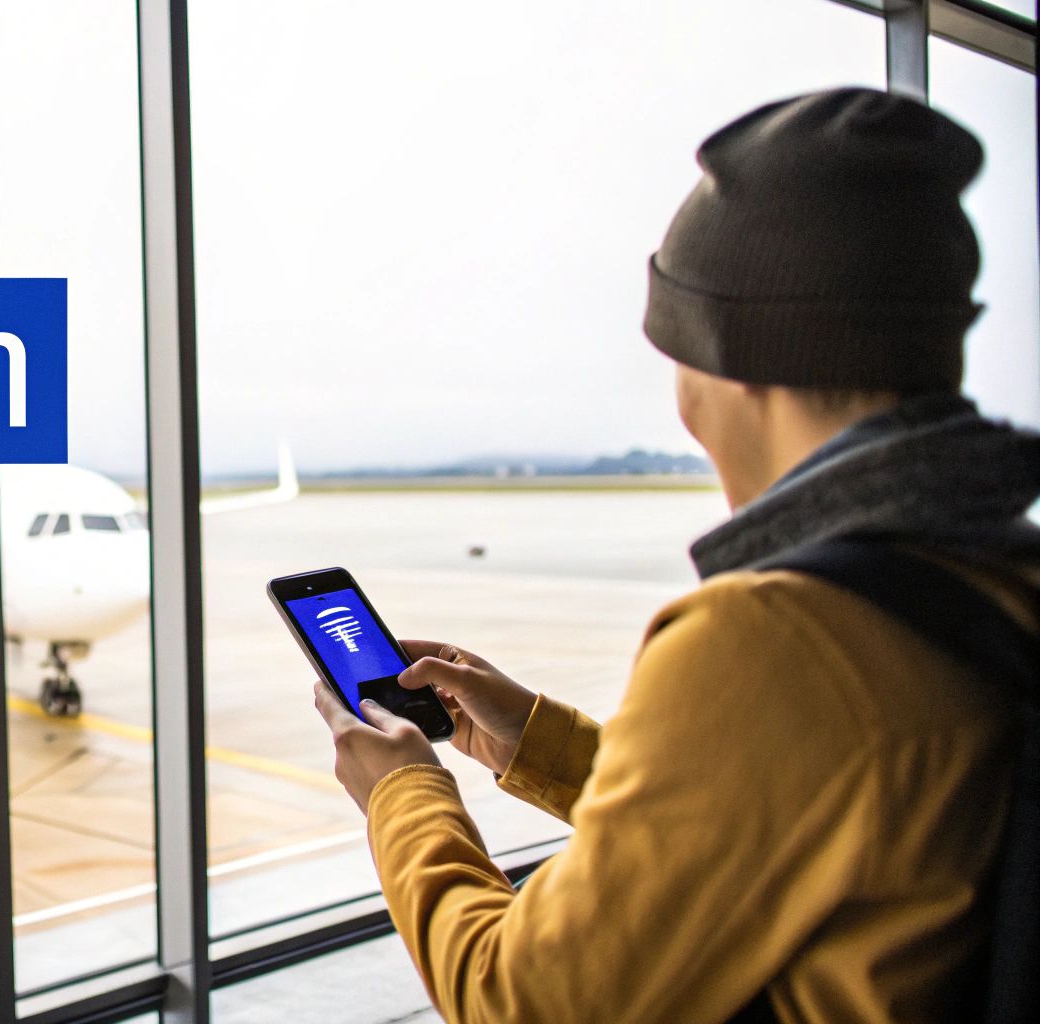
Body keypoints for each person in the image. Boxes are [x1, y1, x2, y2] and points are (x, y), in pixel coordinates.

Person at [313, 87, 1040, 1022]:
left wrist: (402, 794)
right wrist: (533, 738)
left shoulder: (777, 637)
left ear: (732, 364)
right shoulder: (993, 572)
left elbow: (518, 1001)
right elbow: (794, 804)